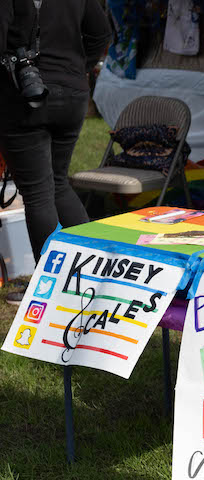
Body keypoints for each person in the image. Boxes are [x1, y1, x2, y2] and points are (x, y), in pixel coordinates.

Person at [0, 0, 112, 304]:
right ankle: (94, 273)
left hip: (23, 96)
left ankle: (49, 285)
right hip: (72, 92)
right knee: (58, 183)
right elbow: (102, 33)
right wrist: (77, 68)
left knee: (38, 192)